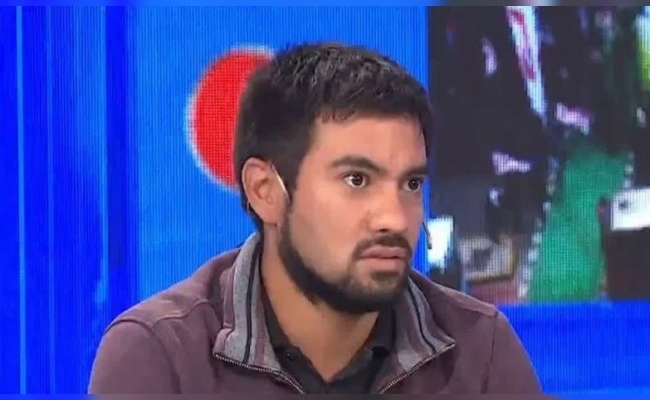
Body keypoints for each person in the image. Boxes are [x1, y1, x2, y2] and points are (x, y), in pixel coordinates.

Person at [88, 42, 542, 394]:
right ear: (265, 192)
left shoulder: (479, 350)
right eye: (357, 180)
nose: (395, 219)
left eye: (410, 184)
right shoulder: (162, 356)